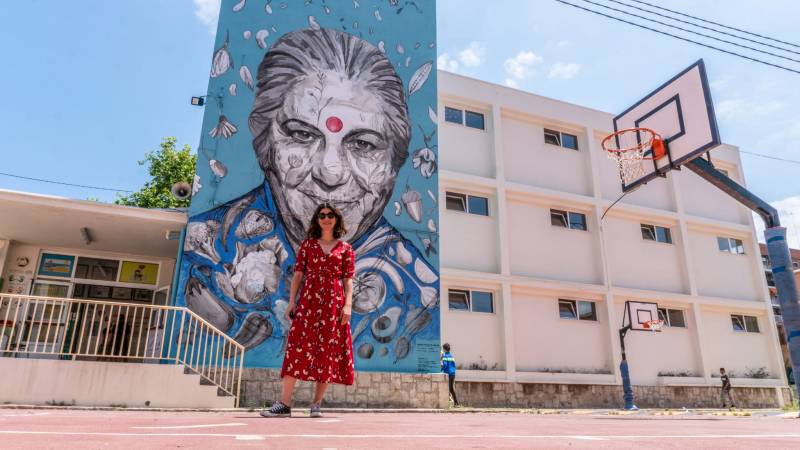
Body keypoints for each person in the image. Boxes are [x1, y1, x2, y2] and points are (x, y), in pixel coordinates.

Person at [181, 27, 439, 370]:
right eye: (302, 135)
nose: (329, 172)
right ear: (264, 144)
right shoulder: (201, 250)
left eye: (363, 144)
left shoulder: (421, 297)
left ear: (394, 164)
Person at [261, 203, 356, 418]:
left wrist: (348, 305)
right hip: (308, 304)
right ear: (316, 220)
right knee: (296, 349)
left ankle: (316, 405)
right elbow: (297, 276)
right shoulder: (308, 246)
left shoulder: (346, 250)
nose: (326, 218)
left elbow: (348, 281)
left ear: (336, 220)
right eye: (322, 215)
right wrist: (292, 302)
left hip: (334, 305)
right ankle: (284, 404)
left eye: (330, 215)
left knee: (327, 352)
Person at [441, 343, 459, 407]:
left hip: (448, 374)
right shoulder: (452, 356)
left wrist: (441, 370)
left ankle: (447, 403)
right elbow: (454, 365)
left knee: (448, 389)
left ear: (444, 349)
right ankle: (456, 403)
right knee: (451, 389)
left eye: (443, 348)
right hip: (453, 374)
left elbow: (445, 365)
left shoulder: (445, 356)